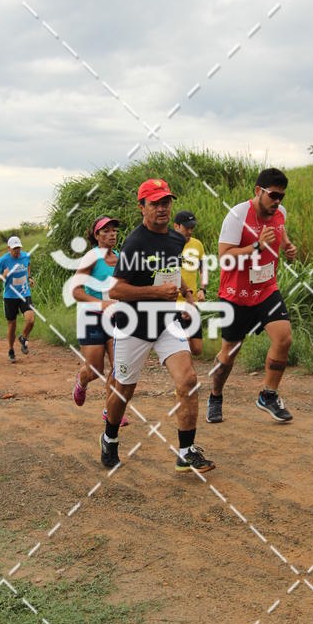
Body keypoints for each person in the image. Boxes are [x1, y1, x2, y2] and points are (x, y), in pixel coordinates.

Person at [102, 178, 215, 473]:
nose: (162, 208)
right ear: (142, 207)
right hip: (133, 327)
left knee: (188, 380)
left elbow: (171, 272)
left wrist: (188, 296)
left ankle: (186, 452)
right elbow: (116, 290)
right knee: (124, 391)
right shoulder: (135, 243)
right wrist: (154, 292)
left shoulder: (176, 240)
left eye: (166, 202)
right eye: (155, 203)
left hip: (167, 322)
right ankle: (109, 436)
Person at [206, 167, 297, 424]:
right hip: (236, 295)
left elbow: (280, 231)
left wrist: (287, 245)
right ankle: (215, 395)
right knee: (228, 356)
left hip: (266, 289)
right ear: (258, 191)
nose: (277, 202)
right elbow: (224, 256)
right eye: (273, 195)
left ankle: (268, 395)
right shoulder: (237, 216)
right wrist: (257, 245)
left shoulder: (280, 213)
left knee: (284, 338)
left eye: (282, 197)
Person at [72, 216, 127, 426]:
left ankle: (110, 410)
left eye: (114, 230)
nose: (112, 234)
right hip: (92, 317)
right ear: (97, 236)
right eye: (106, 230)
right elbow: (76, 291)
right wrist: (101, 304)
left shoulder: (122, 257)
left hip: (116, 319)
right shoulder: (91, 257)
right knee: (95, 369)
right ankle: (82, 381)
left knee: (118, 368)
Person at [0, 235, 34, 363]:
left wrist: (29, 277)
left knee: (30, 320)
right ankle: (10, 350)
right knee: (12, 326)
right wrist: (3, 276)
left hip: (24, 293)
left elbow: (28, 265)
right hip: (10, 296)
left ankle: (23, 337)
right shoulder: (3, 260)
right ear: (9, 248)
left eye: (18, 248)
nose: (17, 251)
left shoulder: (25, 256)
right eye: (14, 249)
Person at [173, 210, 207, 357]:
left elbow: (203, 268)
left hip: (191, 302)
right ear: (176, 226)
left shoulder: (197, 244)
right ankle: (184, 375)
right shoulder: (169, 245)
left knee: (197, 349)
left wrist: (202, 289)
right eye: (187, 227)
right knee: (183, 345)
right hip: (173, 303)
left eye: (192, 227)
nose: (190, 231)